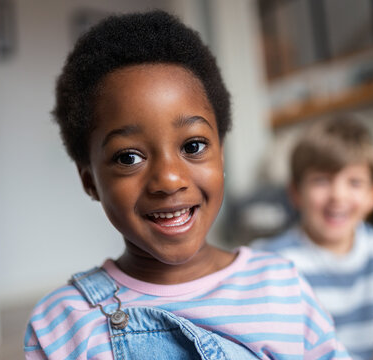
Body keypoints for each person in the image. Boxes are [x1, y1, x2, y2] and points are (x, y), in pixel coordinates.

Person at [23, 11, 349, 360]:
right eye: (128, 157)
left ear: (221, 156)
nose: (169, 179)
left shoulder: (281, 287)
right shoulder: (62, 325)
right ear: (89, 180)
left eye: (192, 147)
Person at [252, 117, 373, 360]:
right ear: (296, 193)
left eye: (354, 182)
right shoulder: (276, 260)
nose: (338, 196)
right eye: (321, 180)